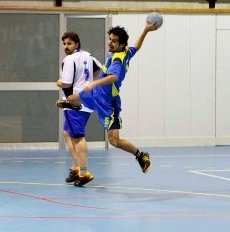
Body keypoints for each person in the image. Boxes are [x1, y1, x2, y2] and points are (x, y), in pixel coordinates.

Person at [57, 20, 159, 175]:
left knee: (114, 141)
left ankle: (141, 155)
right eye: (110, 39)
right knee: (73, 98)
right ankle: (73, 103)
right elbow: (136, 47)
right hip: (97, 94)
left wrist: (94, 83)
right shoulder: (125, 51)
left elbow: (113, 77)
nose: (110, 42)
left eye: (114, 41)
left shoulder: (118, 59)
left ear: (121, 44)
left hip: (109, 103)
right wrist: (146, 30)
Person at [56, 31, 100, 186]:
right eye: (64, 44)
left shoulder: (69, 59)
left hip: (75, 102)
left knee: (78, 137)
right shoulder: (88, 55)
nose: (66, 46)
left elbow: (66, 83)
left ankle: (84, 172)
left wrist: (58, 82)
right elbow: (98, 68)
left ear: (77, 44)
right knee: (67, 132)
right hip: (86, 100)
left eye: (69, 43)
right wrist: (88, 84)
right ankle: (76, 167)